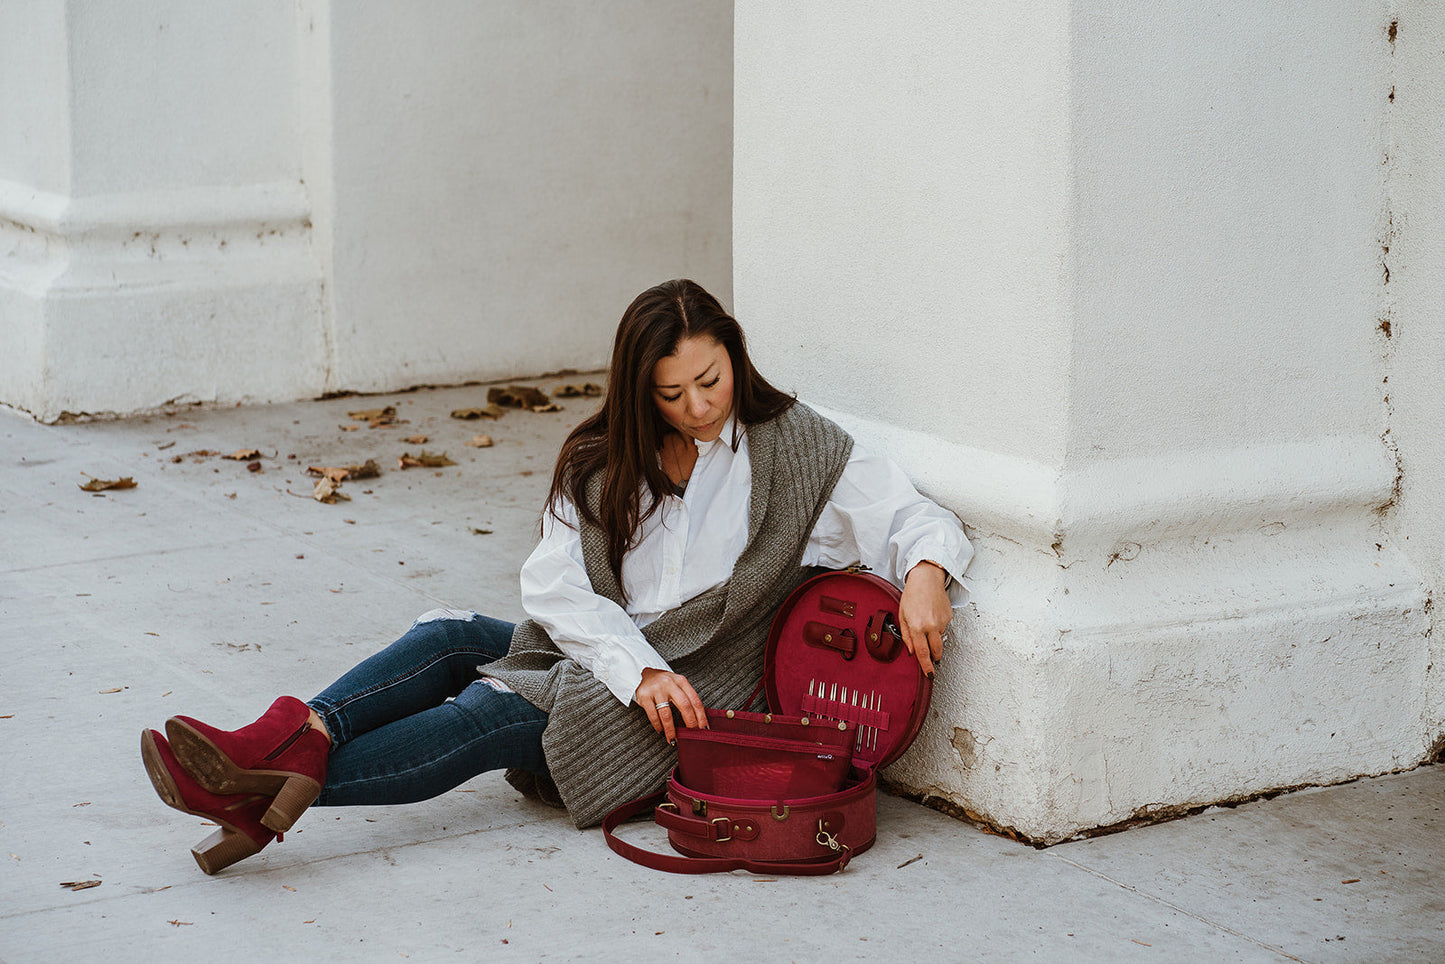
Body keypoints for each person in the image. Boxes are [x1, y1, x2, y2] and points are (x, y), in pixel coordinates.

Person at [139, 279, 972, 874]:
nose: (698, 406)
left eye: (710, 380)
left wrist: (926, 571)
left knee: (489, 710)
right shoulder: (605, 461)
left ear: (735, 358)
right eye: (672, 392)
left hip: (699, 686)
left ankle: (257, 790)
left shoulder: (793, 447)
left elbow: (909, 516)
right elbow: (554, 588)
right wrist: (632, 665)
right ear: (639, 389)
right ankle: (286, 743)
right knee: (452, 635)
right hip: (625, 660)